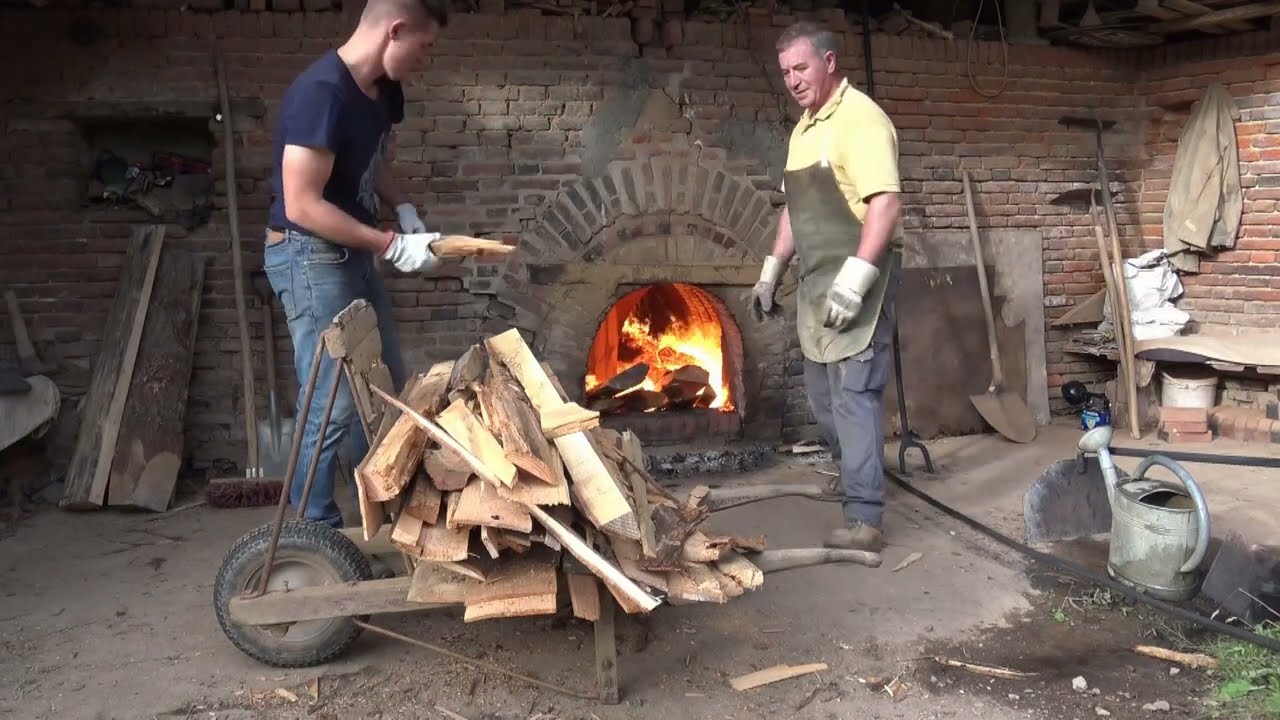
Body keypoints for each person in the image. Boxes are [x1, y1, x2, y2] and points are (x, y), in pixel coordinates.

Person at [262, 0, 450, 528]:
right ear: (395, 31)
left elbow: (375, 163)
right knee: (332, 403)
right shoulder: (322, 94)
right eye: (425, 45)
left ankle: (387, 512)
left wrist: (405, 210)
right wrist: (387, 244)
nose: (425, 59)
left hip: (354, 253)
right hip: (309, 256)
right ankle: (312, 534)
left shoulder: (384, 91)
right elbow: (302, 204)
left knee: (387, 385)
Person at [751, 20, 904, 552]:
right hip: (816, 284)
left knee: (855, 397)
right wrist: (772, 269)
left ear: (830, 62)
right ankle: (854, 476)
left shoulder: (861, 119)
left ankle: (865, 518)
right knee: (823, 398)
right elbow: (796, 208)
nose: (792, 80)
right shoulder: (803, 130)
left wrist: (856, 282)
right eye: (786, 72)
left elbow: (885, 203)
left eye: (801, 67)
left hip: (860, 277)